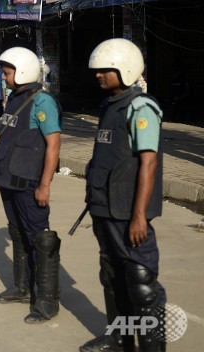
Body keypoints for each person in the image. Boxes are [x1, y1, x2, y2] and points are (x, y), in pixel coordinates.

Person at [79, 39, 166, 352]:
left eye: (106, 70)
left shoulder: (141, 108)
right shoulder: (109, 106)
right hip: (104, 207)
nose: (99, 75)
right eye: (98, 70)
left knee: (141, 283)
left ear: (125, 69)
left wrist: (139, 215)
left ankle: (151, 348)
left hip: (128, 211)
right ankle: (119, 338)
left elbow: (148, 162)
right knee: (111, 275)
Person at [0, 47, 62, 325]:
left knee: (39, 240)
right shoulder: (14, 99)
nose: (3, 78)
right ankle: (21, 288)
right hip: (8, 180)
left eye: (7, 73)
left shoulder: (42, 102)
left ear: (22, 72)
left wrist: (45, 184)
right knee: (17, 234)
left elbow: (53, 144)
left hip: (29, 182)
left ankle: (47, 301)